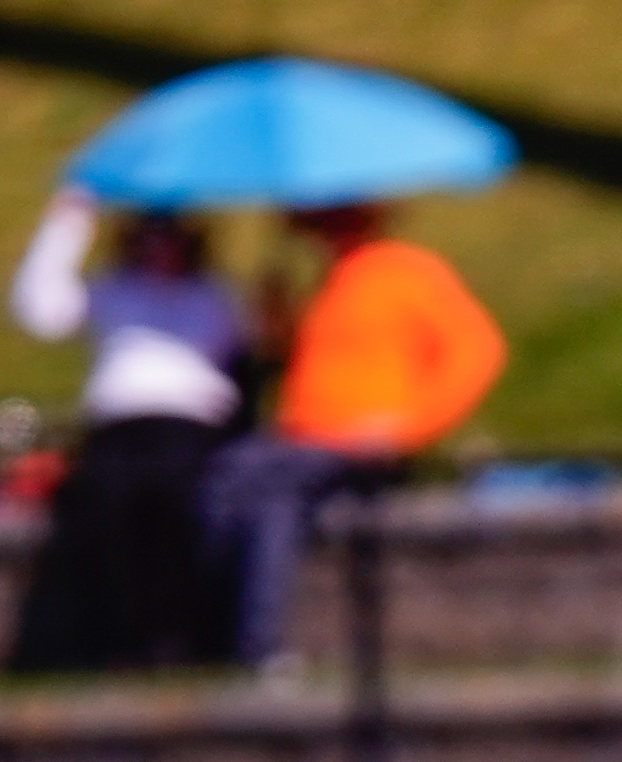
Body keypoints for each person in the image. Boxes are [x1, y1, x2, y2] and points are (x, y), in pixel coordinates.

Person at [206, 202, 505, 672]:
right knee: (228, 476)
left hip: (358, 447)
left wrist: (408, 428)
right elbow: (313, 367)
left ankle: (257, 642)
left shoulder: (406, 271)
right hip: (302, 441)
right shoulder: (330, 281)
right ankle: (221, 631)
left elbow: (477, 350)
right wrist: (275, 321)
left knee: (269, 490)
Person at [0, 190, 248, 677]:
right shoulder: (113, 292)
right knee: (107, 522)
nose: (159, 249)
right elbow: (38, 309)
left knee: (185, 521)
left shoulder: (213, 297)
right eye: (148, 238)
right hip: (120, 427)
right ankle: (115, 643)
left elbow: (244, 349)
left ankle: (183, 641)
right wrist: (68, 224)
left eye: (170, 238)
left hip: (190, 429)